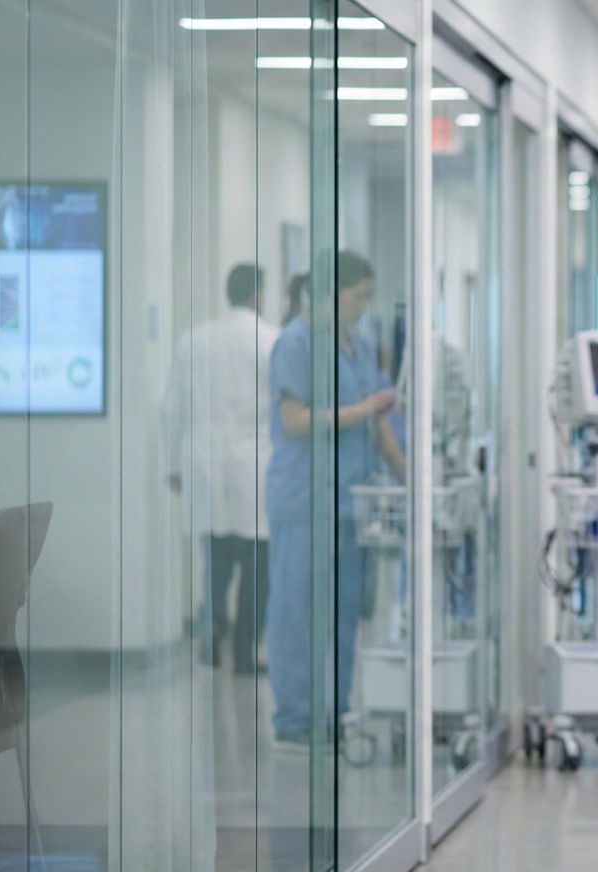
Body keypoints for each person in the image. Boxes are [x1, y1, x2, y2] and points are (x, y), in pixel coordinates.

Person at [264, 253, 405, 751]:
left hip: (351, 504)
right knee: (298, 610)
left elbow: (381, 426)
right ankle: (296, 720)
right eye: (357, 296)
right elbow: (296, 421)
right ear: (325, 295)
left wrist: (408, 479)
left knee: (346, 615)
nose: (365, 306)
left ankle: (336, 713)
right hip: (304, 500)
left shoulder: (360, 347)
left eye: (369, 296)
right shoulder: (295, 344)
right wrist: (368, 407)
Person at [159, 263, 280, 673]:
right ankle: (245, 654)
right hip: (255, 459)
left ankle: (211, 638)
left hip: (203, 456)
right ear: (258, 293)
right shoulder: (270, 340)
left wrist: (172, 463)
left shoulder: (194, 340)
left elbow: (171, 406)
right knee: (256, 562)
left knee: (215, 558)